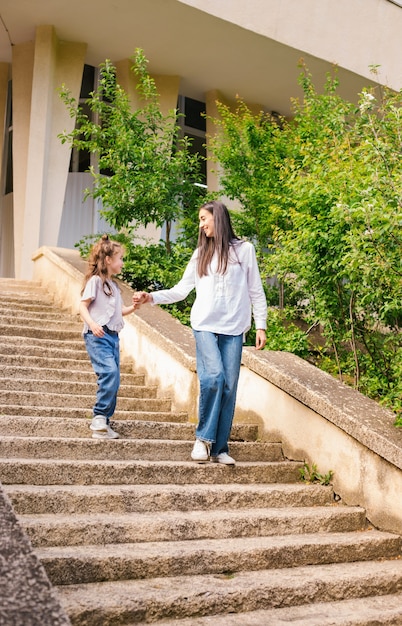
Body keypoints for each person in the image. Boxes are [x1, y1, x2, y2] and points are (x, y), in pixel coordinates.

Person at [134, 200, 267, 465]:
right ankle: (203, 439)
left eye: (203, 218)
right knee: (214, 377)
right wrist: (152, 297)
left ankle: (220, 448)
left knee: (229, 387)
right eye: (199, 220)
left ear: (217, 218)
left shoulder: (244, 250)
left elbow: (256, 289)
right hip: (205, 325)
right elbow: (181, 291)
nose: (201, 224)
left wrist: (260, 323)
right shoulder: (201, 254)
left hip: (234, 328)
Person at [79, 234, 137, 439]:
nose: (122, 263)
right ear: (108, 260)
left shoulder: (113, 286)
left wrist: (135, 307)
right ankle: (99, 416)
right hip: (97, 335)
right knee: (109, 373)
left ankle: (104, 423)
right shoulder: (95, 281)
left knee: (115, 378)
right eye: (120, 258)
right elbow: (82, 306)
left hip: (113, 336)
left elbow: (119, 311)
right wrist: (92, 324)